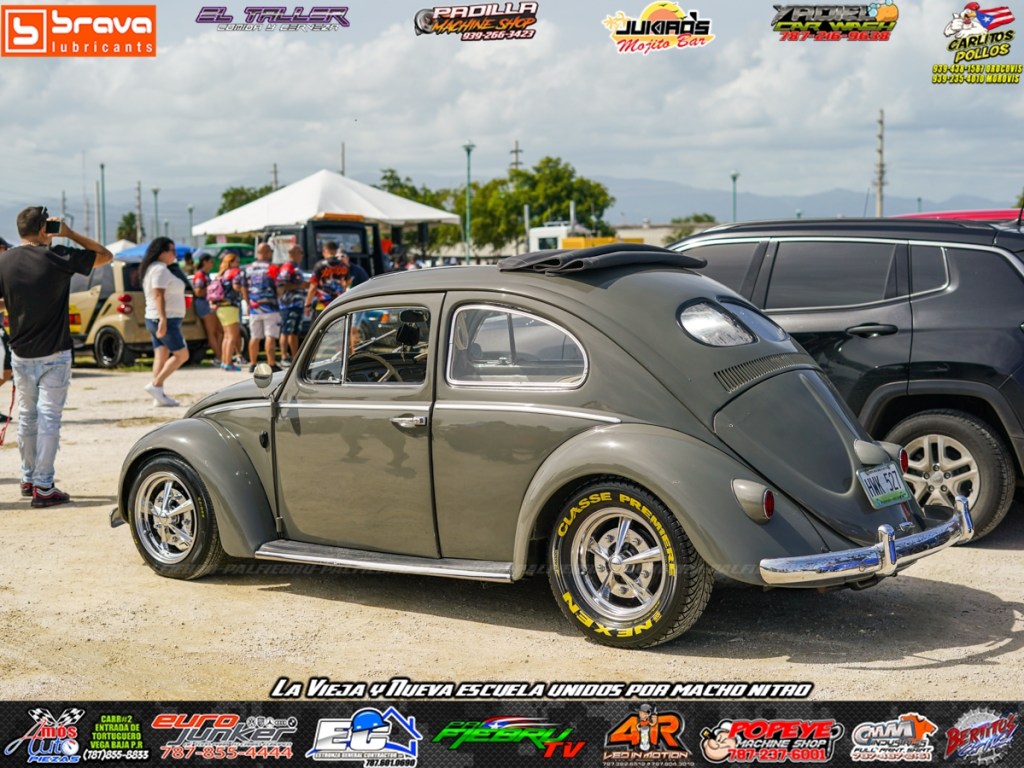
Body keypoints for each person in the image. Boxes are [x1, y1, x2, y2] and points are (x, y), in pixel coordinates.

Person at [0, 206, 113, 506]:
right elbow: (105, 255)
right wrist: (69, 233)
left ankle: (28, 478)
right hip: (55, 352)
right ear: (43, 228)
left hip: (20, 352)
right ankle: (44, 485)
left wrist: (15, 303)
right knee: (49, 417)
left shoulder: (4, 261)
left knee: (27, 416)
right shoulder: (57, 256)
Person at [140, 237, 189, 406]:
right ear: (162, 252)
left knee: (161, 356)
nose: (175, 254)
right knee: (182, 355)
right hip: (164, 318)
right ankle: (155, 385)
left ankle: (158, 396)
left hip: (158, 318)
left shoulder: (156, 269)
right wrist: (163, 319)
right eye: (172, 251)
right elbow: (158, 294)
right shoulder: (159, 270)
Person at [240, 242, 281, 372]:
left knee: (255, 337)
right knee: (270, 336)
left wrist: (248, 303)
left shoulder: (247, 268)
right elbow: (279, 287)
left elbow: (243, 288)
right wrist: (279, 298)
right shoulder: (272, 268)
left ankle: (252, 364)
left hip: (254, 308)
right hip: (270, 307)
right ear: (267, 253)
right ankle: (271, 363)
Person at [275, 244, 307, 366]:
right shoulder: (287, 267)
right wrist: (300, 286)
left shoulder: (295, 267)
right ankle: (285, 357)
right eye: (300, 252)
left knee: (294, 332)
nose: (302, 255)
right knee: (287, 331)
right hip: (288, 304)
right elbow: (281, 285)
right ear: (293, 254)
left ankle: (294, 357)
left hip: (297, 304)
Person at [191, 252, 224, 366]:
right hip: (204, 304)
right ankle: (219, 357)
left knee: (219, 331)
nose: (212, 264)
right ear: (204, 262)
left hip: (208, 303)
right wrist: (211, 289)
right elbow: (198, 292)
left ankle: (220, 355)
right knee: (212, 332)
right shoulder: (200, 275)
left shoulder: (205, 274)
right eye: (210, 262)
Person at [213, 251, 244, 371]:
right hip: (230, 307)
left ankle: (224, 362)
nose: (238, 264)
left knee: (226, 336)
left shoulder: (220, 274)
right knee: (232, 336)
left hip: (221, 308)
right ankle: (228, 363)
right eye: (237, 261)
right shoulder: (235, 272)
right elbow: (236, 287)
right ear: (230, 263)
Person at [304, 240, 351, 318]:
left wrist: (307, 304)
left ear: (324, 251)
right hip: (338, 305)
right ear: (335, 251)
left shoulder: (320, 265)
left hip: (323, 306)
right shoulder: (343, 265)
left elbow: (313, 287)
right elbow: (348, 281)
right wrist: (343, 289)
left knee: (318, 326)